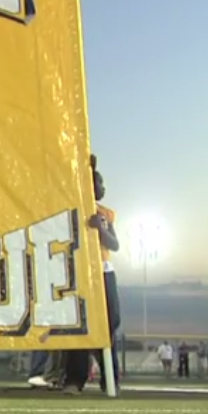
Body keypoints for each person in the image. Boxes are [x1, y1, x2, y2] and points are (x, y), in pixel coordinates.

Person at [63, 155, 121, 395]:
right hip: (80, 272)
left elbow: (115, 245)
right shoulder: (74, 204)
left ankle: (110, 379)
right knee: (78, 326)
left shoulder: (106, 214)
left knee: (109, 326)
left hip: (104, 272)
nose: (103, 188)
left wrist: (100, 229)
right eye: (99, 182)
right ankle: (74, 379)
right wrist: (88, 168)